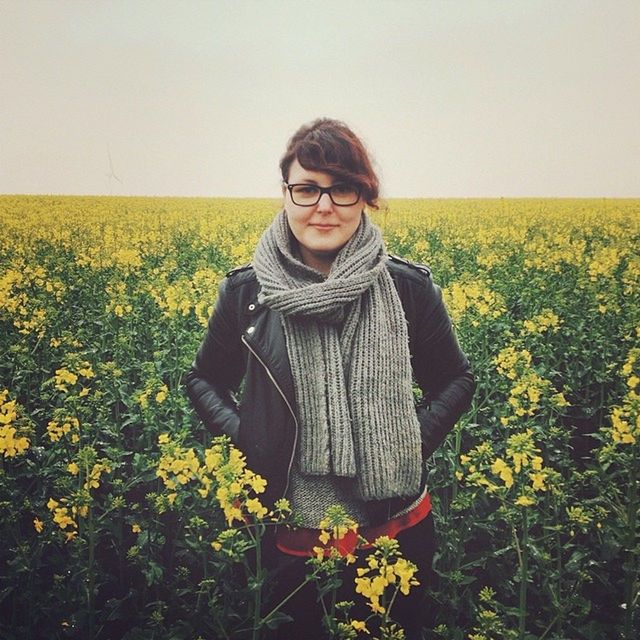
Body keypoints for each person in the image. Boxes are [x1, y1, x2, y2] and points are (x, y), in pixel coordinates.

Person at [185, 118, 475, 638]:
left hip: (395, 529)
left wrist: (409, 443)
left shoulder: (408, 289)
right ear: (286, 194)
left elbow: (455, 380)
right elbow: (203, 379)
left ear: (365, 196)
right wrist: (251, 437)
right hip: (287, 535)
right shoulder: (245, 294)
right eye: (307, 188)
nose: (323, 205)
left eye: (342, 188)